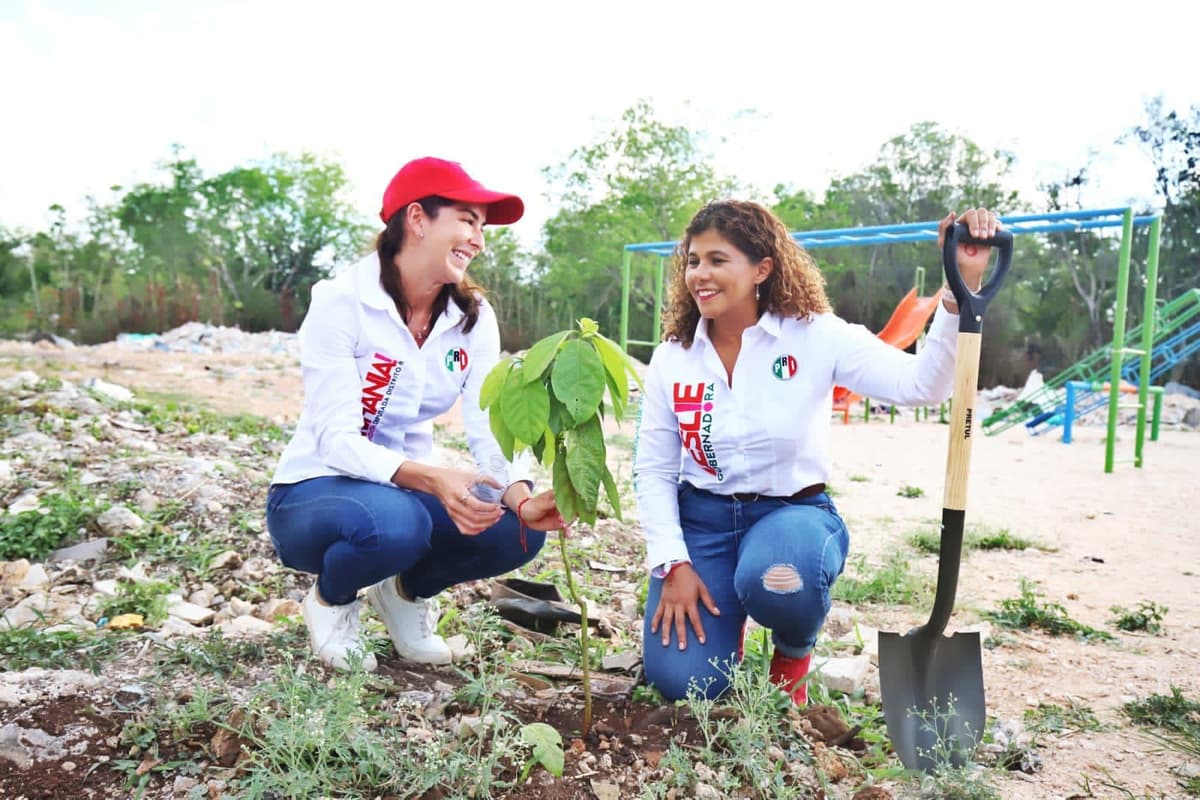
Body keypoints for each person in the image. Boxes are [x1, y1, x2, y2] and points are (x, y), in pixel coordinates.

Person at [633, 200, 1000, 704]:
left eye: (718, 260)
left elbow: (923, 385)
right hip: (703, 522)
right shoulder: (672, 358)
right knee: (688, 685)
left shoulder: (815, 336)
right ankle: (724, 635)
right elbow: (652, 469)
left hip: (790, 513)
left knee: (780, 578)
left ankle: (792, 652)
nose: (700, 274)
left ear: (762, 268)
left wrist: (960, 291)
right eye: (693, 260)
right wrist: (673, 563)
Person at [266, 157, 564, 672]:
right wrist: (431, 479)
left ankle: (404, 597)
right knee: (396, 521)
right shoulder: (342, 303)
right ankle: (332, 602)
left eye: (482, 227)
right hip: (314, 491)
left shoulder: (471, 319)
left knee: (518, 529)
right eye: (468, 220)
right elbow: (336, 438)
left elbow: (487, 425)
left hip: (403, 495)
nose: (478, 239)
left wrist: (518, 493)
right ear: (418, 218)